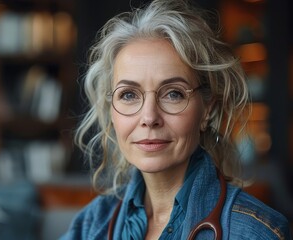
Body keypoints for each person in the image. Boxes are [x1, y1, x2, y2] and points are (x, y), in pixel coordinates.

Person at [62, 0, 291, 239]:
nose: (149, 117)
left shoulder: (254, 232)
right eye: (128, 94)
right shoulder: (92, 224)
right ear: (111, 110)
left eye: (173, 94)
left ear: (207, 111)